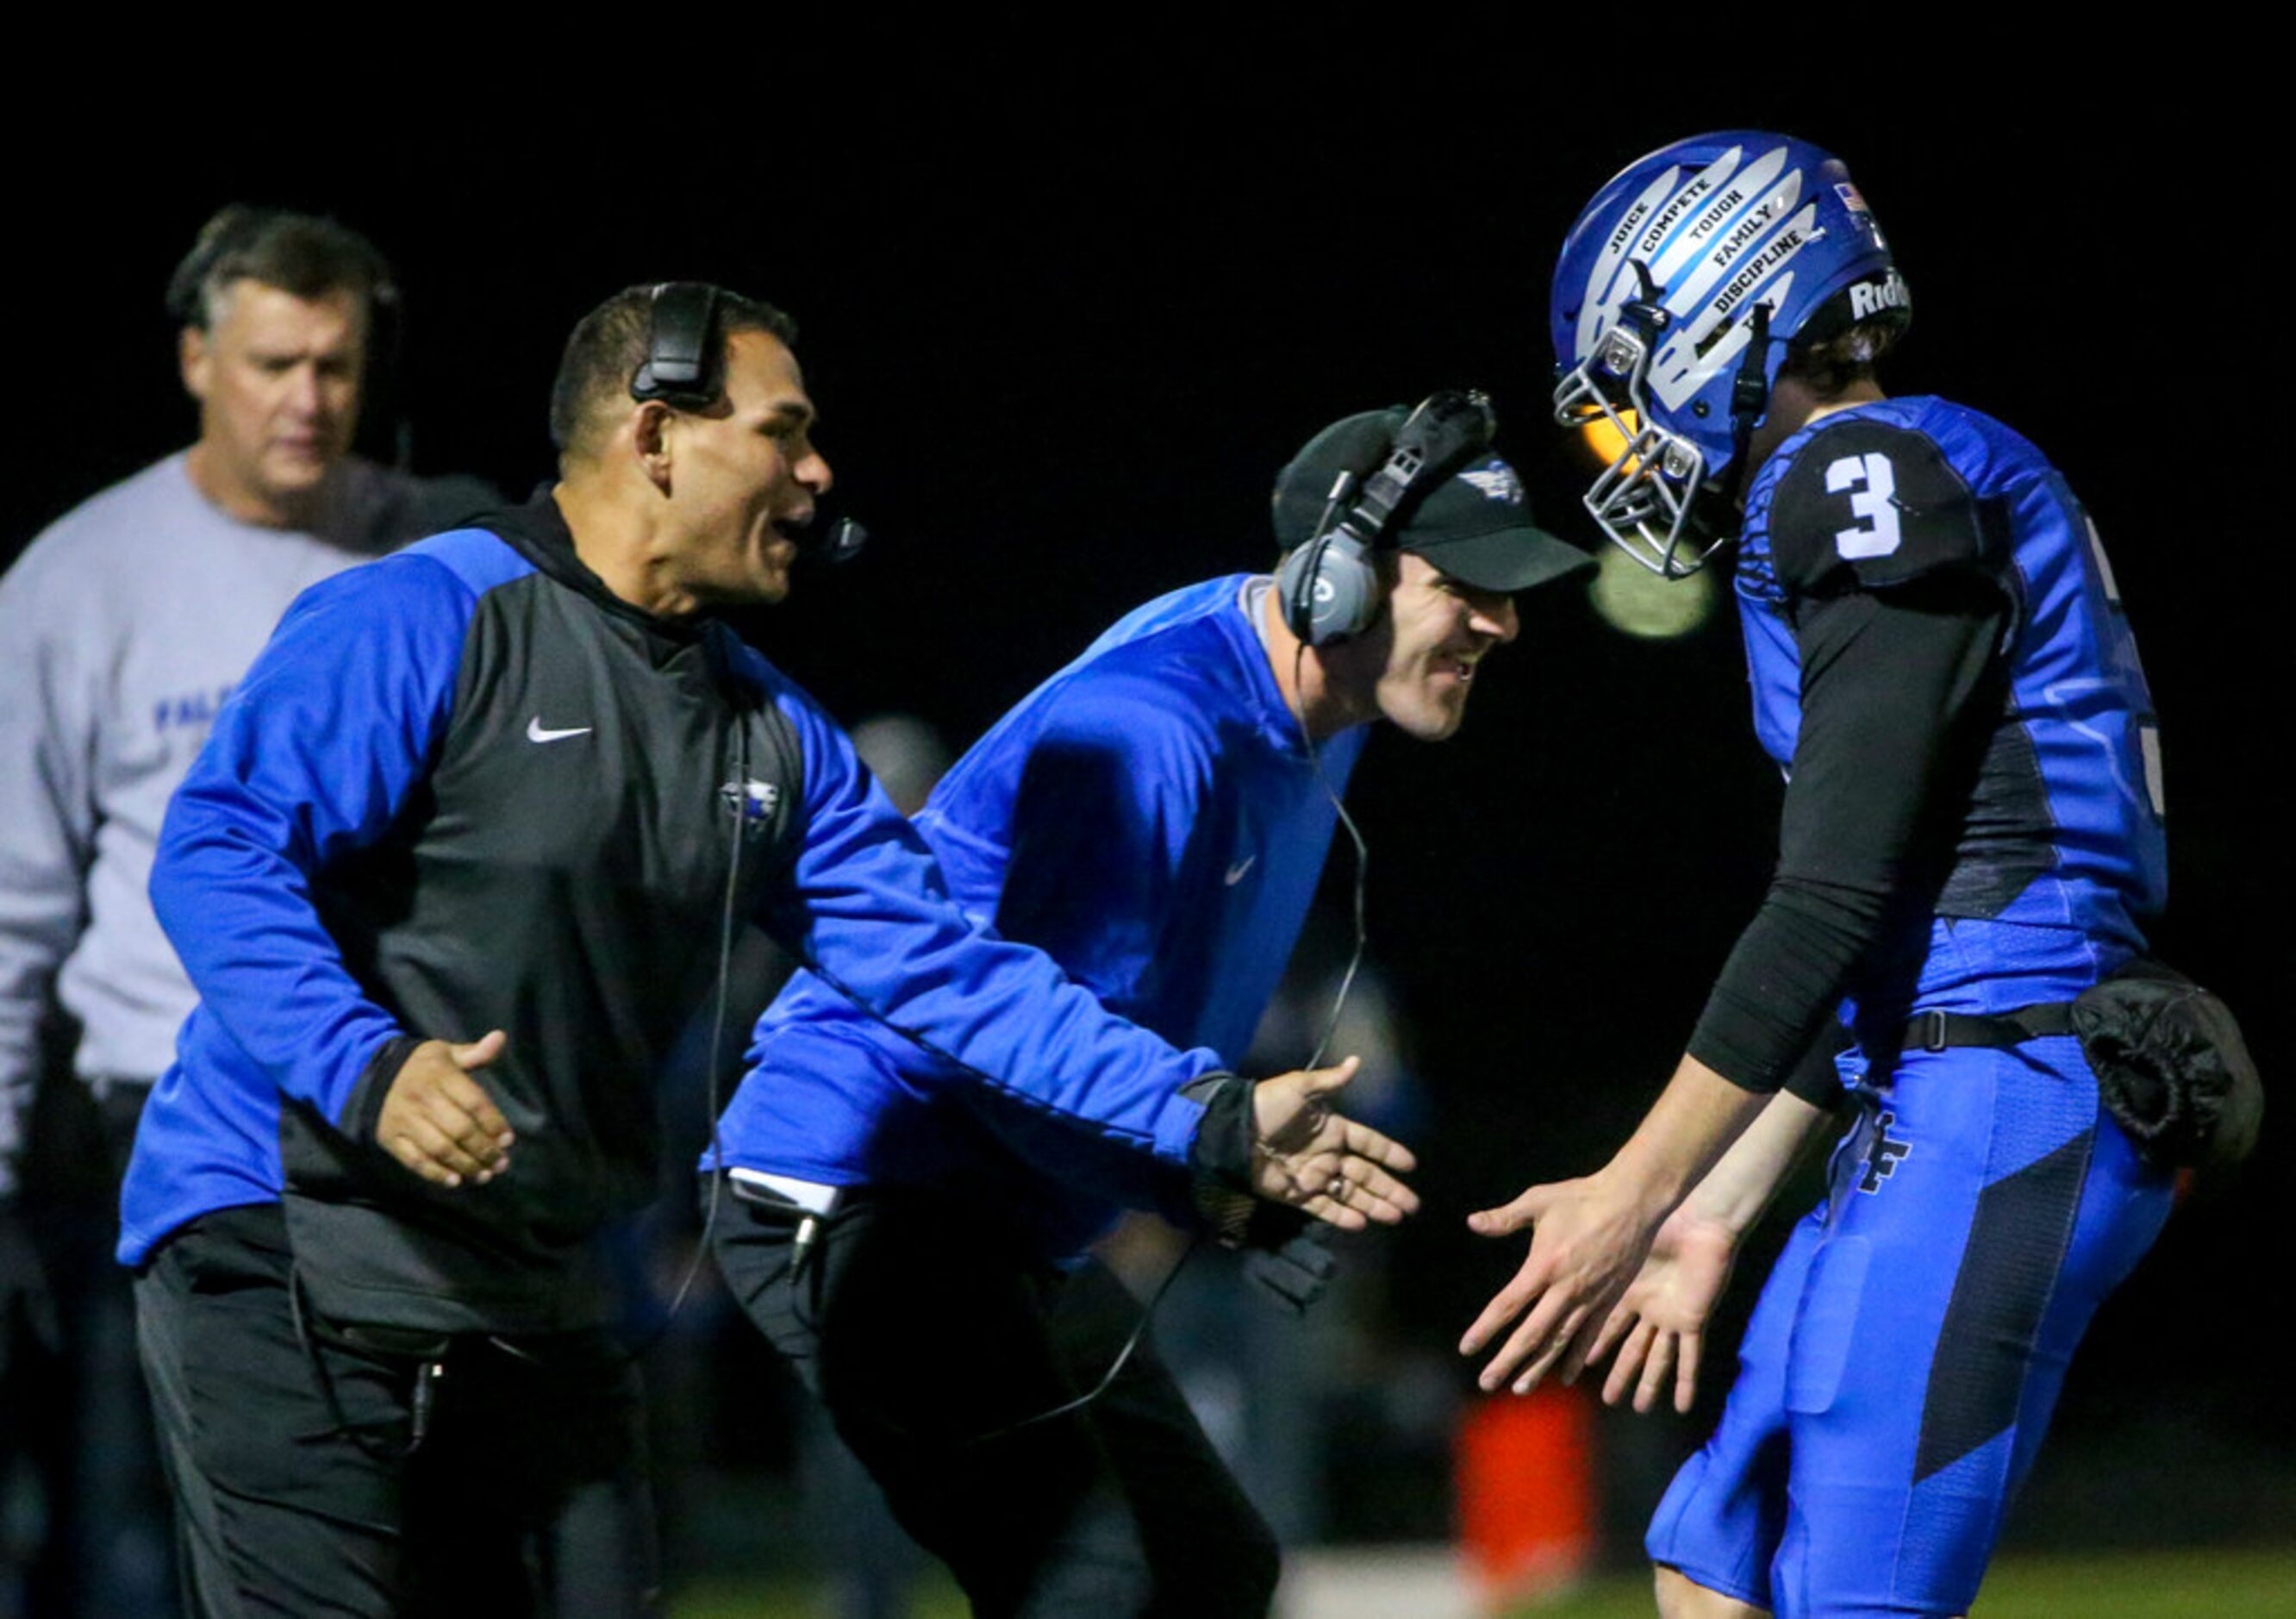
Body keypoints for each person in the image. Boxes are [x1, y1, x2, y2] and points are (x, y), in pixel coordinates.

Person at [117, 280, 1414, 1618]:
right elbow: (214, 851)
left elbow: (952, 974)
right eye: (783, 431)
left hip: (537, 1283)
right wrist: (370, 1067)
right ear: (656, 434)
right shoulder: (425, 613)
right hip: (284, 1242)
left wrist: (1203, 1118)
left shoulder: (770, 735)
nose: (818, 471)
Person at [1460, 131, 2191, 1617]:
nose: (1623, 450)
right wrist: (1714, 1214)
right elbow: (1884, 922)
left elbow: (1834, 897)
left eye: (1617, 410)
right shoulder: (1879, 472)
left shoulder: (1863, 467)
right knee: (1707, 1560)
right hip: (1940, 1071)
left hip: (2007, 1075)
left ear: (1715, 305)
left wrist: (1631, 1184)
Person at [708, 393, 1591, 1616]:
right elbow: (1017, 1054)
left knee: (1214, 1568)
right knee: (1096, 1584)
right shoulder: (1154, 730)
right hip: (861, 1180)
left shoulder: (1317, 704)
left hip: (999, 1213)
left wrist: (1222, 1183)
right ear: (1339, 579)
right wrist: (1214, 1158)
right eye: (1467, 585)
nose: (1502, 622)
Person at [0, 205, 490, 1616]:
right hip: (150, 1120)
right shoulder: (81, 577)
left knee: (395, 1541)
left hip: (389, 1113)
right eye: (276, 363)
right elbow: (20, 899)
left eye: (336, 367)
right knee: (142, 1533)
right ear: (196, 359)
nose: (309, 401)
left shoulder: (426, 549)